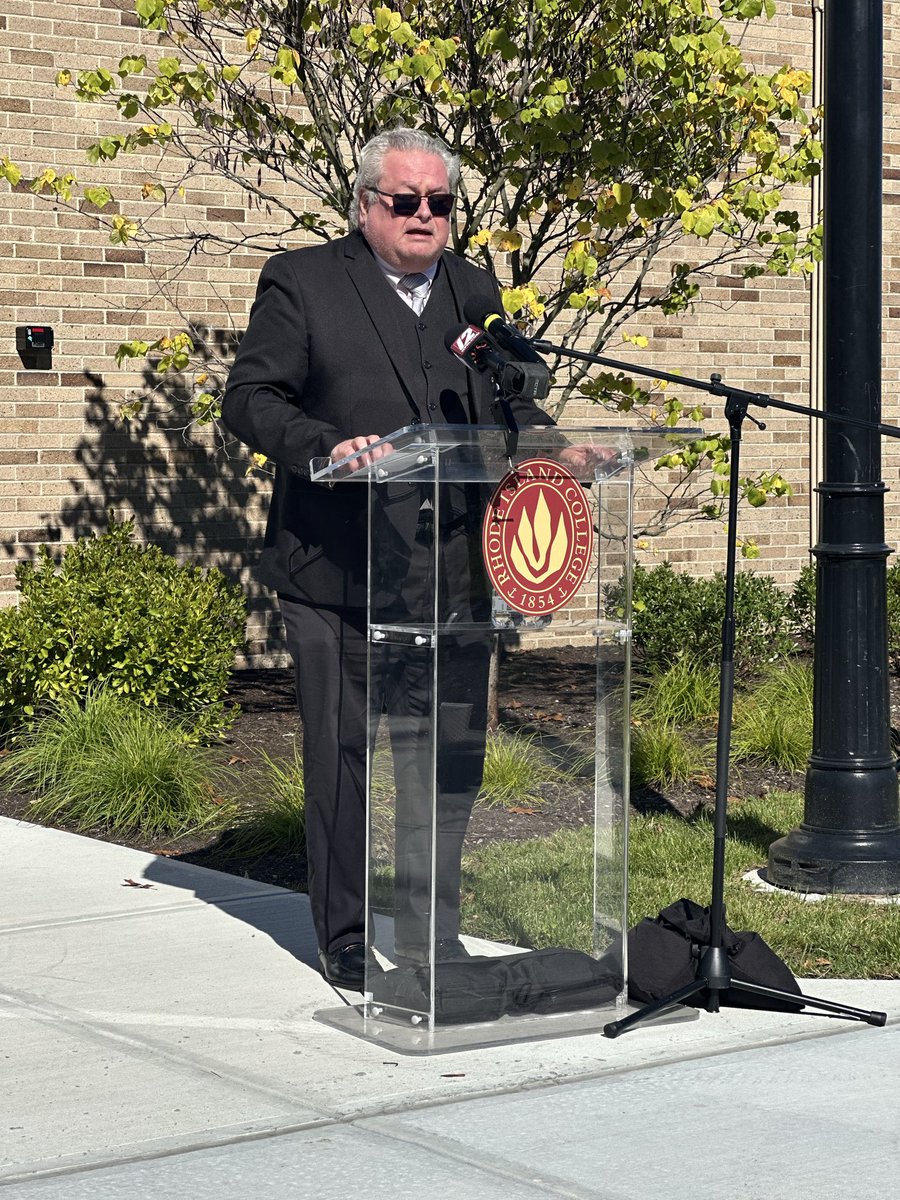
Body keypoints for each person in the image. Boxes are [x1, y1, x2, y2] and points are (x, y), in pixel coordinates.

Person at [222, 127, 552, 990]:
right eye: (404, 201)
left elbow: (506, 405)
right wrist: (327, 448)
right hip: (339, 569)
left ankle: (430, 931)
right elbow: (249, 398)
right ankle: (342, 933)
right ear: (366, 204)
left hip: (452, 573)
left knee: (444, 758)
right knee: (343, 755)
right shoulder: (304, 281)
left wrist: (554, 450)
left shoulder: (473, 292)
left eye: (439, 204)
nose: (423, 217)